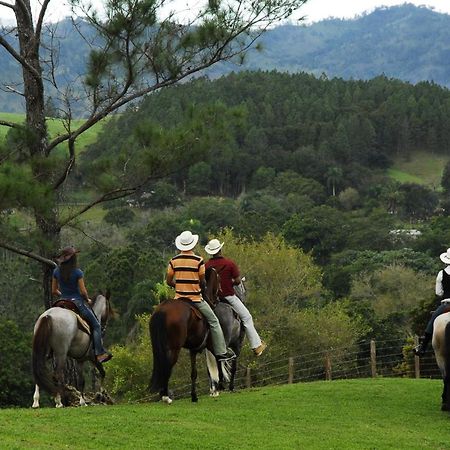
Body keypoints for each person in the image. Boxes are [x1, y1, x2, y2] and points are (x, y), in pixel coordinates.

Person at [166, 231, 236, 362]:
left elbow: (168, 281)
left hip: (179, 299)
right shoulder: (198, 261)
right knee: (214, 321)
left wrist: (179, 286)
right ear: (193, 245)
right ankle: (221, 352)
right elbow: (203, 281)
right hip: (195, 299)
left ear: (180, 245)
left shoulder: (173, 261)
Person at [204, 238, 267, 357]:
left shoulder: (206, 266)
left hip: (211, 300)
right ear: (220, 250)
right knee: (247, 317)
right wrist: (229, 283)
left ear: (210, 252)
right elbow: (238, 281)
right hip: (227, 296)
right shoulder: (229, 264)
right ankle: (256, 346)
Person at [52, 246, 112, 364]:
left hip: (62, 302)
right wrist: (88, 300)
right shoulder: (77, 272)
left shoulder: (56, 271)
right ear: (73, 258)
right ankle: (99, 354)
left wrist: (63, 295)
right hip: (76, 302)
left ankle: (50, 350)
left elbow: (54, 291)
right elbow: (83, 292)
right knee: (96, 325)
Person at [414, 248, 450, 356]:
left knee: (432, 321)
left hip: (447, 304)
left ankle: (422, 347)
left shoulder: (441, 274)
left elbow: (438, 292)